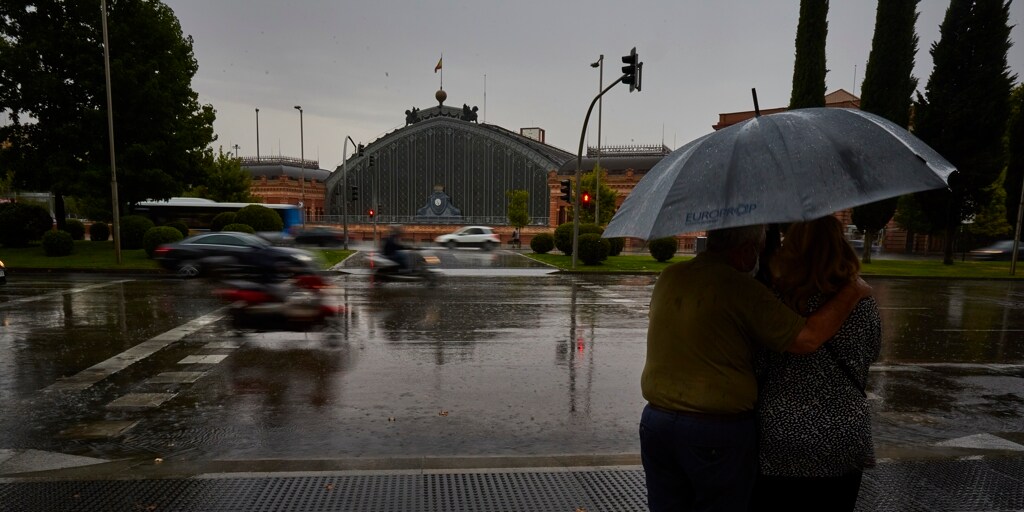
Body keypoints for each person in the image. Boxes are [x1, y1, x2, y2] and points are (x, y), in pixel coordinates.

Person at [639, 224, 872, 512]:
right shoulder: (740, 288)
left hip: (656, 424)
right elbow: (807, 339)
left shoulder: (670, 276)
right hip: (714, 434)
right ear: (748, 251)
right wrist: (852, 291)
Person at [750, 216, 881, 512]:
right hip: (845, 433)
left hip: (782, 434)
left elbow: (758, 363)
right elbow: (872, 353)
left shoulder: (780, 301)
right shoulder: (863, 299)